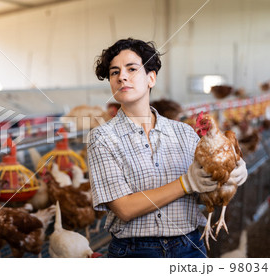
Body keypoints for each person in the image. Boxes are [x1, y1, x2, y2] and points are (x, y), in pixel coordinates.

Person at [87, 38, 248, 258]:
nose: (122, 76)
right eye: (114, 72)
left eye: (132, 69)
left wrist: (230, 174)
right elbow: (124, 209)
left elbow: (205, 193)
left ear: (151, 78)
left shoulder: (185, 133)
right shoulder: (101, 138)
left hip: (190, 246)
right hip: (135, 253)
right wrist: (184, 183)